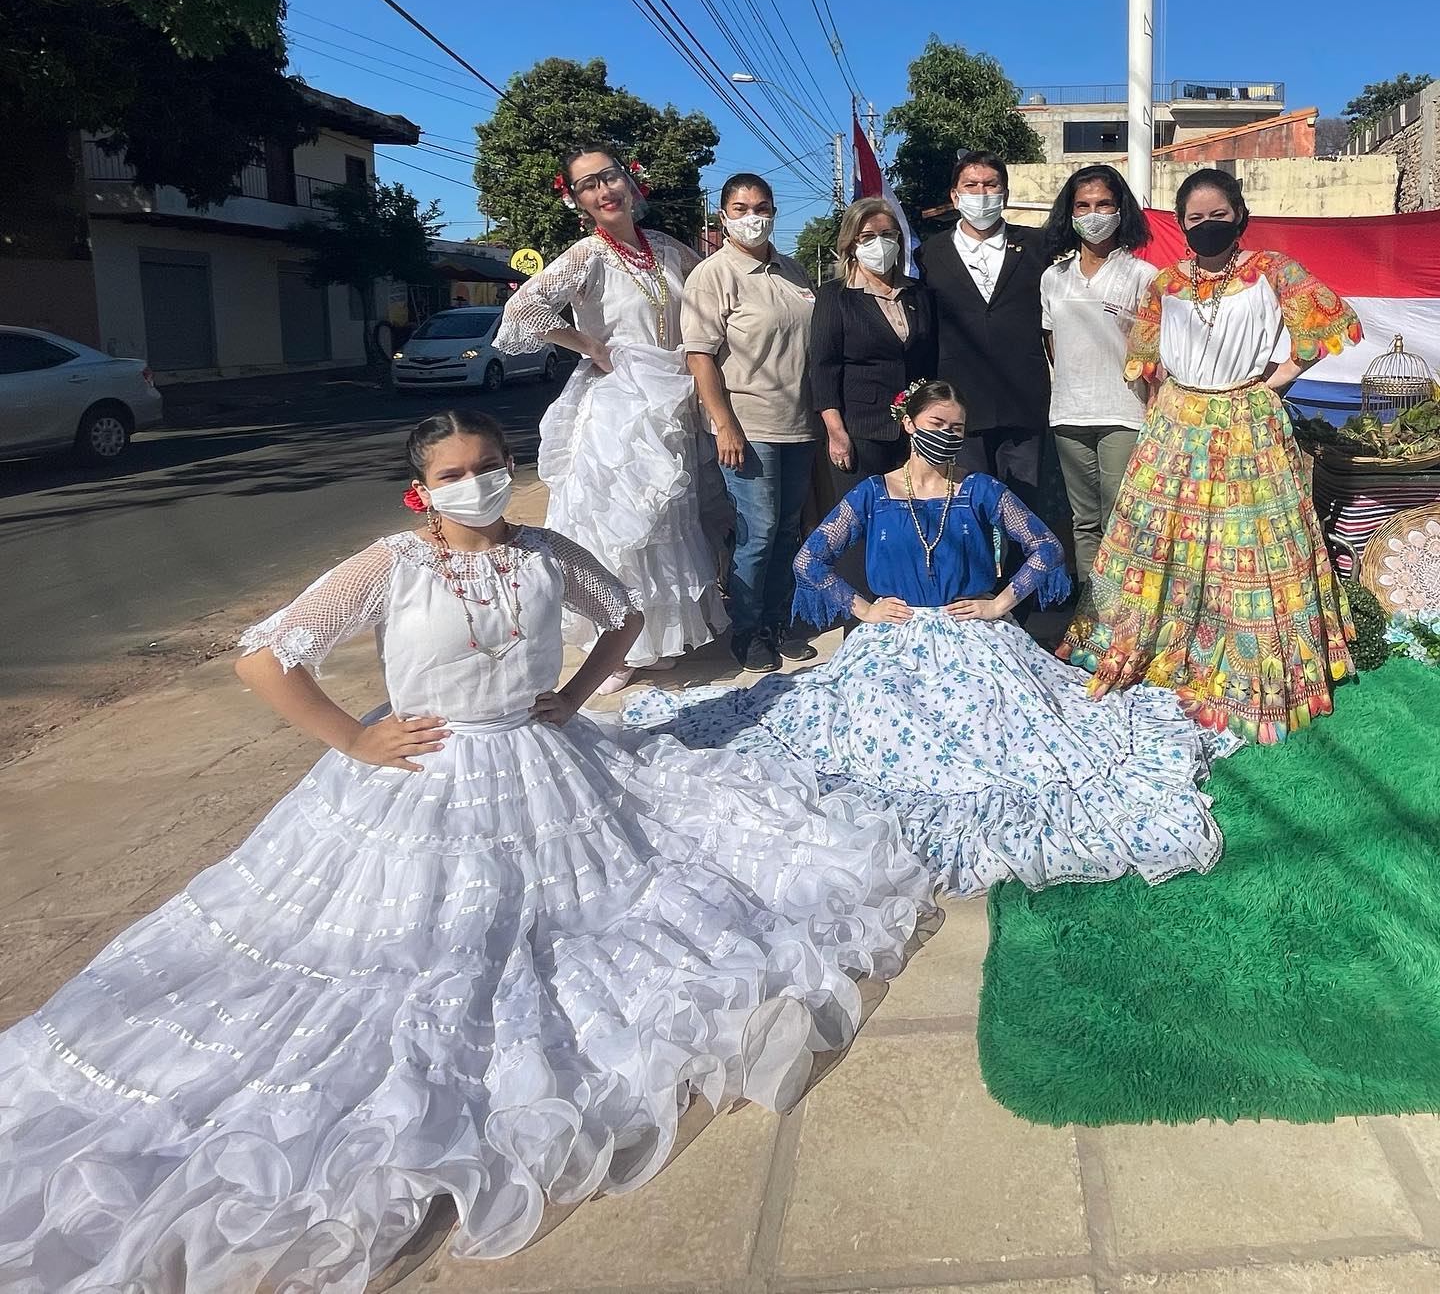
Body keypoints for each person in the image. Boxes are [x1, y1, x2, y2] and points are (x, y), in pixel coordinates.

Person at [0, 411, 932, 1291]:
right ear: (422, 488)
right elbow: (265, 656)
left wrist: (572, 694)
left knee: (583, 922)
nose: (478, 483)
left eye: (490, 466)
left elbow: (624, 616)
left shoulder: (542, 549)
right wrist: (355, 739)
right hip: (423, 772)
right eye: (455, 474)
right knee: (404, 963)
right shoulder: (391, 563)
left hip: (543, 758)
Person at [626, 381, 1239, 896]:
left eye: (959, 426)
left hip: (976, 640)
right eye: (939, 422)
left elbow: (1047, 548)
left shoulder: (979, 491)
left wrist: (1000, 601)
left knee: (1017, 736)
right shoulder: (871, 494)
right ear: (909, 420)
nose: (950, 434)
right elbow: (809, 561)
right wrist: (860, 608)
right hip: (892, 640)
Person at [1059, 168, 1363, 745]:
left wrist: (1275, 383)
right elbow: (1145, 357)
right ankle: (1157, 649)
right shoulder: (1166, 283)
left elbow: (1330, 325)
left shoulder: (1274, 271)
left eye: (1217, 216)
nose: (1205, 226)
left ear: (1239, 216)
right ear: (1180, 224)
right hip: (1177, 425)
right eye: (1194, 219)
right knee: (1160, 545)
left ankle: (1252, 673)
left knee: (1246, 549)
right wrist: (1158, 414)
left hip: (1248, 423)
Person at [493, 144, 725, 682]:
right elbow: (522, 311)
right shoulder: (587, 255)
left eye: (610, 176)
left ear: (629, 179)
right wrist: (588, 345)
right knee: (618, 524)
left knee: (669, 520)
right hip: (618, 403)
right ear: (578, 201)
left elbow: (714, 293)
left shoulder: (667, 248)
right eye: (588, 185)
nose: (604, 190)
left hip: (674, 394)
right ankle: (614, 646)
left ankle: (657, 636)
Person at [683, 173, 820, 673]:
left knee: (787, 531)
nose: (752, 217)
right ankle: (748, 629)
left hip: (799, 424)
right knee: (757, 533)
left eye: (761, 207)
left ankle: (778, 621)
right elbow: (700, 357)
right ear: (722, 216)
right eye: (740, 209)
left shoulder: (794, 272)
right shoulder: (713, 275)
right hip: (749, 425)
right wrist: (725, 425)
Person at [914, 151, 1050, 513]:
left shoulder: (1037, 247)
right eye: (971, 185)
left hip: (1023, 403)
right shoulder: (928, 255)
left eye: (990, 185)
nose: (981, 192)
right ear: (955, 196)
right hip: (958, 409)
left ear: (1004, 194)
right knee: (964, 508)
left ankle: (1025, 571)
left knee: (1024, 510)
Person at [1039, 164, 1154, 584]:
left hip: (1124, 412)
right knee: (1084, 521)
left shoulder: (1143, 276)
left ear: (1121, 210)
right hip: (1069, 413)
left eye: (1103, 204)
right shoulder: (1054, 277)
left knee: (1122, 519)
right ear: (1069, 215)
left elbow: (1153, 350)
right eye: (1083, 205)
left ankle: (1125, 615)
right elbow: (1052, 342)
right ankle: (1091, 613)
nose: (1093, 214)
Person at [814, 195, 938, 483]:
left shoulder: (918, 293)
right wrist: (836, 432)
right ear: (851, 244)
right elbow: (823, 369)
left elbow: (929, 358)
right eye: (867, 237)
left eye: (887, 235)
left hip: (914, 432)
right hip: (860, 433)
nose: (879, 244)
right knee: (862, 520)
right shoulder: (836, 296)